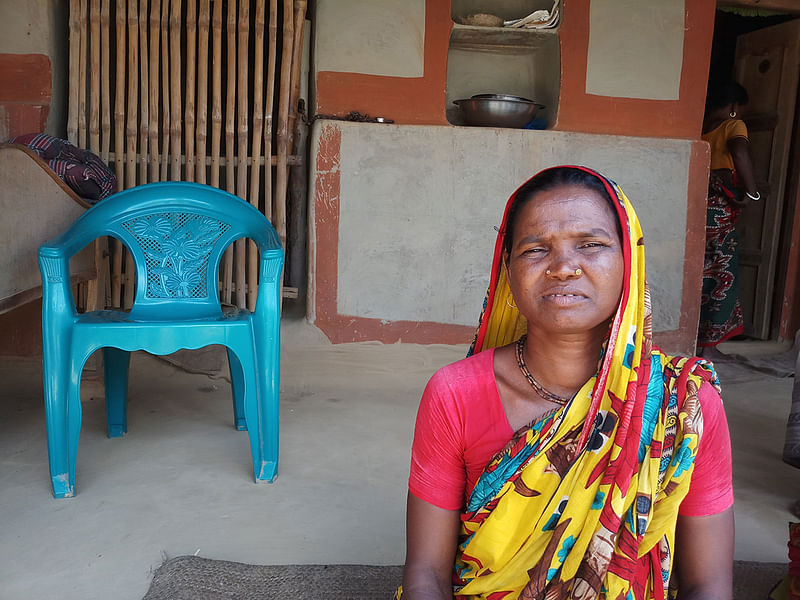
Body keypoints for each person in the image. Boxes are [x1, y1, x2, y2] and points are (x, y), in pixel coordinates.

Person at [400, 166, 734, 599]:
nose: (562, 267)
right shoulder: (454, 394)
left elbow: (708, 584)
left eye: (591, 245)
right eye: (536, 249)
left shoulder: (684, 404)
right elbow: (426, 573)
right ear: (509, 271)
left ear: (629, 261)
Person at [697, 81, 759, 356]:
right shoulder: (734, 125)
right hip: (722, 207)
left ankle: (698, 340)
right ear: (734, 107)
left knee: (700, 272)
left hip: (700, 208)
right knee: (724, 272)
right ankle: (710, 346)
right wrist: (752, 192)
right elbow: (739, 151)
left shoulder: (699, 129)